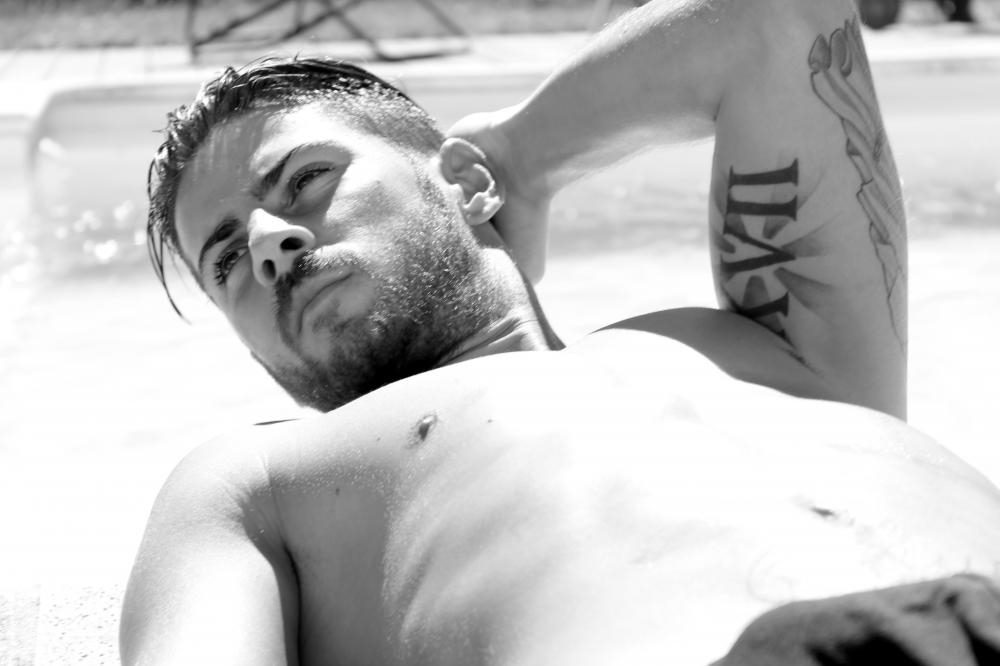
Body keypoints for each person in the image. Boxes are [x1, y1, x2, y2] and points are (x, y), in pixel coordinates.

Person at [121, 0, 1000, 663]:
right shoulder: (257, 483)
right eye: (226, 260)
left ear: (462, 183)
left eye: (307, 179)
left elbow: (769, 20)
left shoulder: (758, 344)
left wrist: (518, 156)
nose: (268, 244)